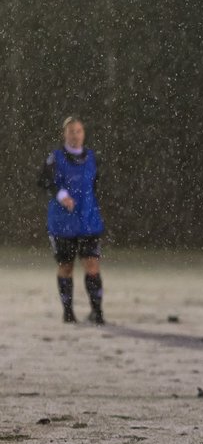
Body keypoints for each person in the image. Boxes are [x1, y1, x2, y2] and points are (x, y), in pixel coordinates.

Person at [39, 116, 107, 324]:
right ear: (64, 134)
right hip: (62, 222)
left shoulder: (93, 158)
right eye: (71, 131)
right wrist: (62, 196)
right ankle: (68, 312)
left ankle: (97, 312)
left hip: (88, 221)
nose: (75, 135)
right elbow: (43, 180)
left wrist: (87, 206)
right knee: (66, 266)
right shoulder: (55, 158)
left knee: (92, 264)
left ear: (83, 134)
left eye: (78, 131)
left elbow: (94, 185)